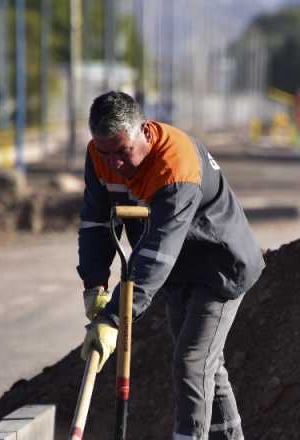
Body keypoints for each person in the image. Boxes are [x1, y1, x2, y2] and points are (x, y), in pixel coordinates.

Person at [77, 91, 265, 440]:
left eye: (122, 151)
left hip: (219, 267)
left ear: (145, 132)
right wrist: (95, 284)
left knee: (191, 363)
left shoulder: (175, 164)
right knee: (207, 365)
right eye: (106, 152)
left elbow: (157, 252)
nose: (114, 162)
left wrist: (115, 318)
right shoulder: (100, 155)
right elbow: (96, 222)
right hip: (178, 270)